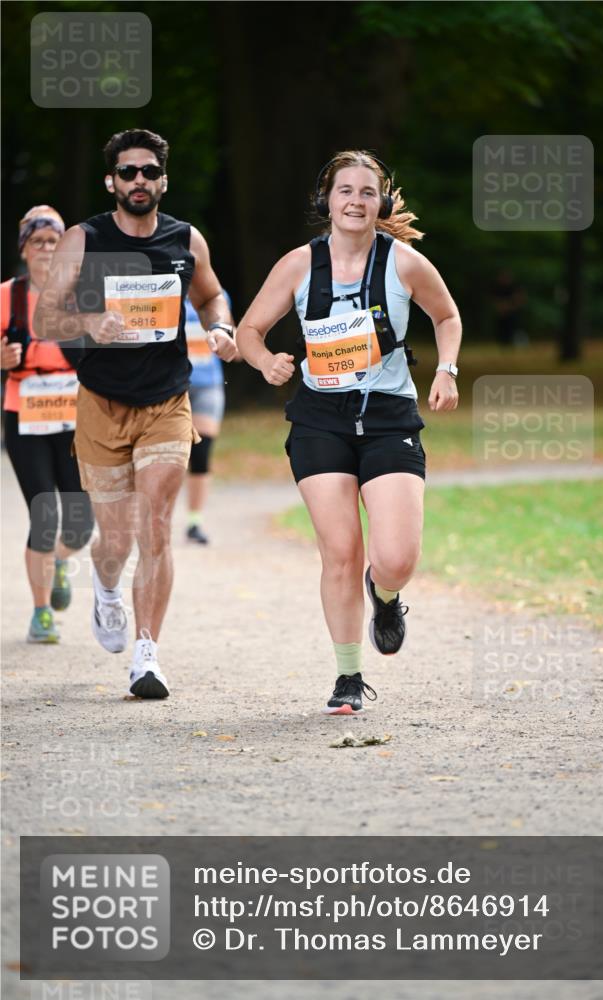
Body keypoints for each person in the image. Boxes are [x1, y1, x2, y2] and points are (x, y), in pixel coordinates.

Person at [228, 150, 461, 714]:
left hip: (387, 416)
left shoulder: (405, 262)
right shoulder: (299, 265)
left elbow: (446, 316)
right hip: (320, 418)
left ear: (380, 202)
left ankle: (385, 596)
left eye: (367, 191)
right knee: (339, 551)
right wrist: (265, 363)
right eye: (344, 191)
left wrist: (447, 369)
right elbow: (249, 331)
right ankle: (349, 677)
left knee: (397, 557)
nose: (356, 201)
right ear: (326, 201)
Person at [33, 129, 238, 698]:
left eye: (149, 171)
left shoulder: (185, 239)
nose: (139, 181)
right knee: (116, 540)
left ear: (163, 180)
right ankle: (105, 588)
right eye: (129, 172)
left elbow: (211, 295)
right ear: (112, 182)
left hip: (167, 403)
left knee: (155, 527)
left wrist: (220, 327)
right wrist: (88, 324)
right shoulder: (85, 239)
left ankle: (147, 655)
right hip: (101, 403)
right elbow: (46, 318)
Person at [1, 206, 94, 643]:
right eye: (36, 241)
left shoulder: (82, 294)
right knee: (44, 515)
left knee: (79, 523)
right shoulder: (7, 296)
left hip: (75, 416)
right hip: (24, 413)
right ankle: (41, 614)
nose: (45, 249)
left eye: (53, 242)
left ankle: (58, 561)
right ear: (23, 248)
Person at [183, 292, 238, 544]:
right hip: (172, 385)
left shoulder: (217, 296)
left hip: (207, 384)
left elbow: (231, 335)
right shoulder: (159, 288)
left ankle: (195, 521)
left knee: (200, 452)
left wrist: (235, 344)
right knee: (170, 456)